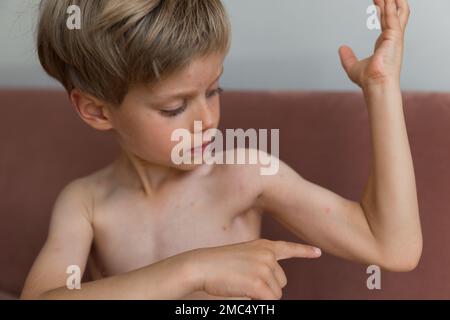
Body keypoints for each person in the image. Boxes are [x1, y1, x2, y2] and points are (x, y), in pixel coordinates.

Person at [21, 0, 421, 300]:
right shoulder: (87, 204)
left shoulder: (245, 175)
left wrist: (381, 88)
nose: (207, 120)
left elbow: (392, 246)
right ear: (95, 110)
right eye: (175, 107)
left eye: (214, 91)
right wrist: (192, 270)